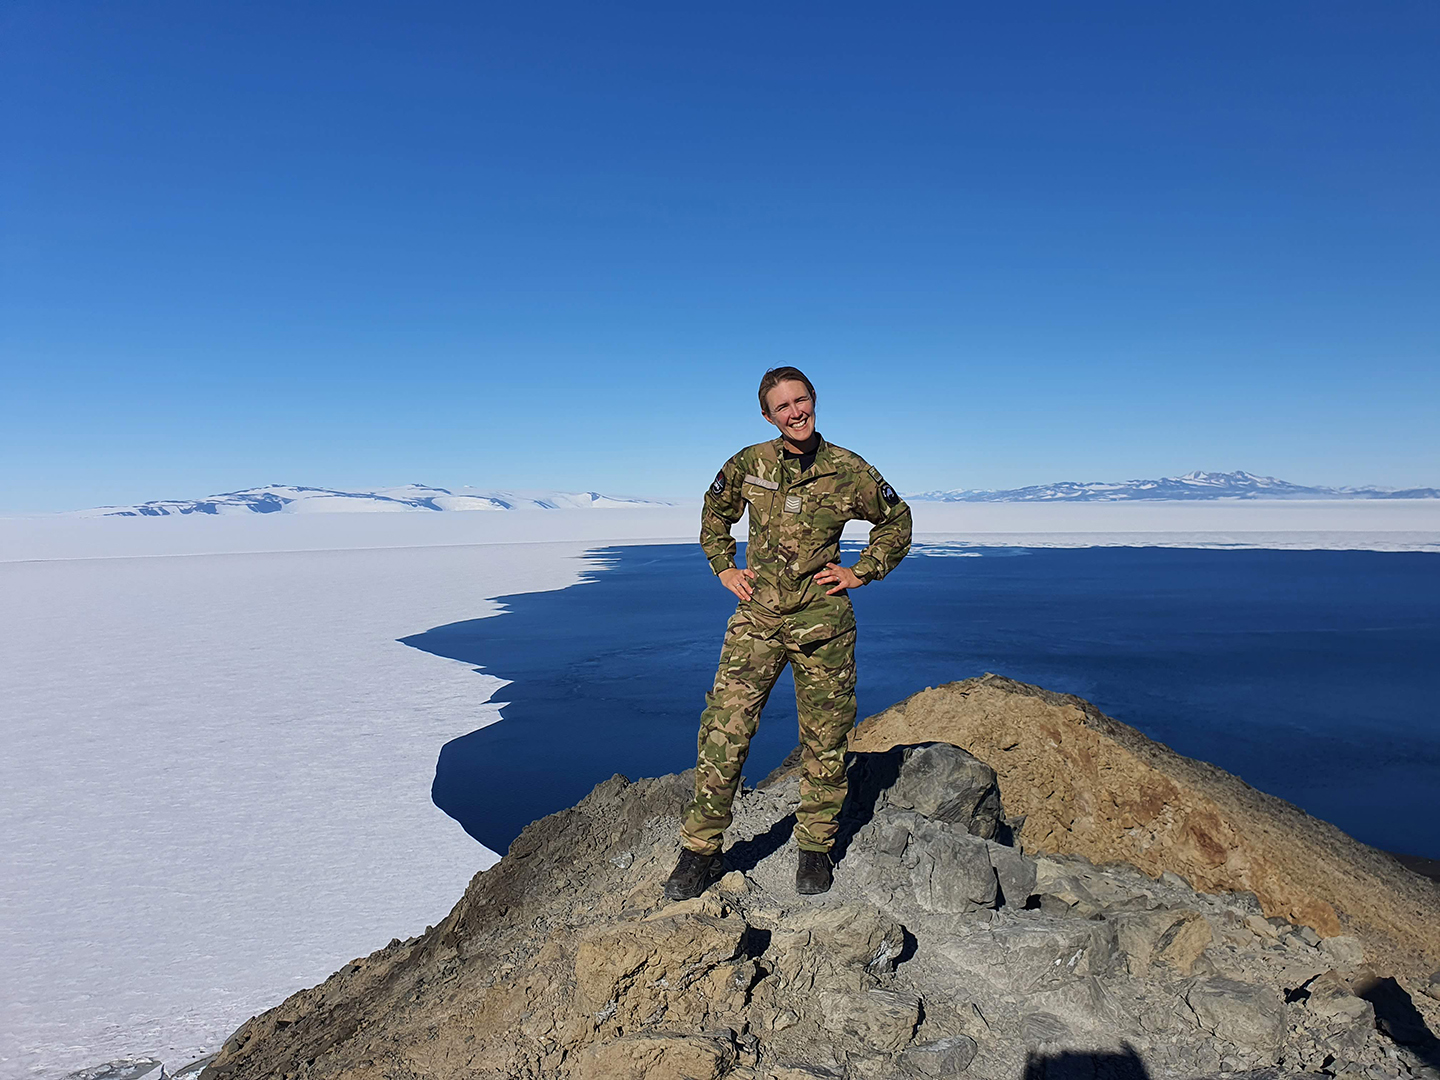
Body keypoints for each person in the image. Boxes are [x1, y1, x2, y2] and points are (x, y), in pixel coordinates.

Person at [664, 366, 912, 899]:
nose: (795, 412)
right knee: (724, 732)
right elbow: (715, 512)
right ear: (768, 415)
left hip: (822, 624)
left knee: (825, 740)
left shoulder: (847, 469)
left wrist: (861, 571)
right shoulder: (750, 463)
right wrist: (723, 565)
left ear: (814, 401)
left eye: (802, 401)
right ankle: (700, 850)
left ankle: (816, 848)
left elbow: (897, 520)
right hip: (757, 618)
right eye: (783, 407)